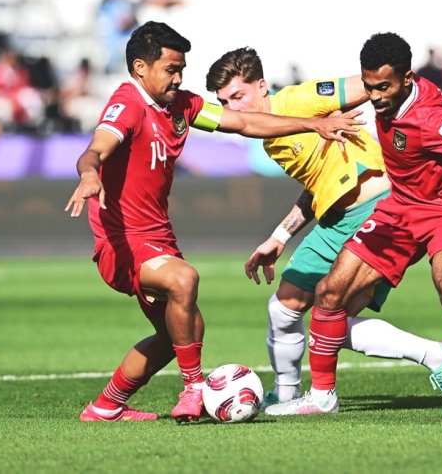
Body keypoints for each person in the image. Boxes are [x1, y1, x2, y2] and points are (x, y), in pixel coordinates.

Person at [65, 22, 364, 423]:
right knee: (184, 280)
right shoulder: (128, 103)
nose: (178, 78)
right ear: (140, 67)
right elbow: (96, 148)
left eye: (181, 69)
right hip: (123, 241)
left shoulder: (182, 106)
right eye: (170, 69)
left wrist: (313, 123)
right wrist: (89, 172)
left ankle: (105, 406)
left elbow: (244, 123)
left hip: (157, 237)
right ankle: (194, 389)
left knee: (178, 335)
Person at [205, 47, 442, 413]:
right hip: (333, 221)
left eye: (238, 96)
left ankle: (438, 356)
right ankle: (286, 396)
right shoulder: (269, 138)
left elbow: (371, 82)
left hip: (376, 211)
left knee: (332, 317)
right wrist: (280, 236)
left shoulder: (300, 99)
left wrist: (424, 92)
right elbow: (317, 186)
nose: (234, 108)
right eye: (224, 102)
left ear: (262, 85)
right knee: (283, 309)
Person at [265, 32, 442, 418]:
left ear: (407, 79)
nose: (376, 96)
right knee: (330, 293)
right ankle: (322, 397)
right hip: (398, 208)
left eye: (385, 87)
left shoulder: (430, 119)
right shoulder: (393, 94)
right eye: (370, 87)